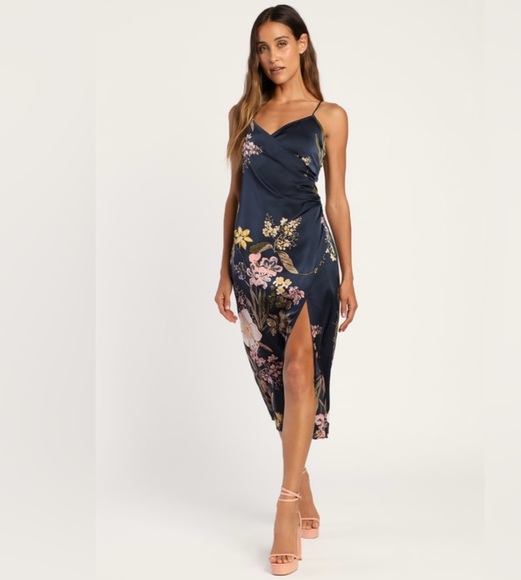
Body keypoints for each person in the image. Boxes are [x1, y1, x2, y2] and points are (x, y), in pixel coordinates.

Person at [214, 4, 357, 575]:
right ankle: (303, 479)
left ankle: (287, 502)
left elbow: (337, 199)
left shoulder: (330, 117)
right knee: (275, 380)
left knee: (300, 373)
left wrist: (350, 273)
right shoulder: (243, 115)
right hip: (252, 263)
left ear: (301, 43)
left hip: (310, 258)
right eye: (262, 47)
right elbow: (234, 196)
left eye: (280, 43)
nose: (271, 56)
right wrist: (222, 272)